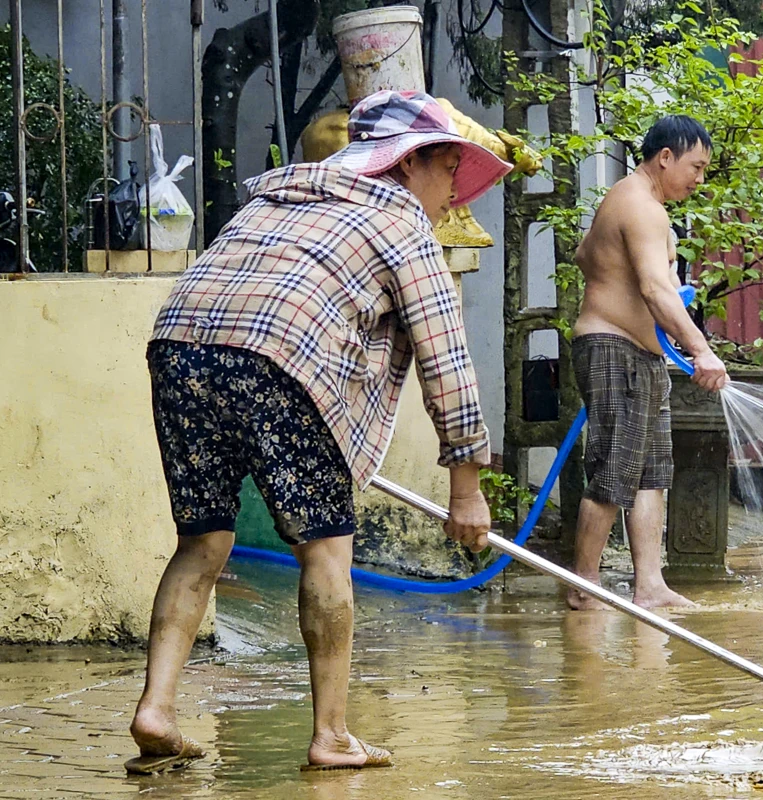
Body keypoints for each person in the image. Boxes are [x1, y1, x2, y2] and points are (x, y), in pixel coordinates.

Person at [127, 91, 512, 773]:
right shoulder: (399, 221)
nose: (455, 194)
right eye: (451, 171)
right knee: (326, 551)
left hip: (178, 350)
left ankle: (156, 709)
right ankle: (331, 735)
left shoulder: (277, 196)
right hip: (280, 358)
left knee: (203, 541)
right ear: (412, 162)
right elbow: (446, 359)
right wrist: (466, 487)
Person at [569, 115, 729, 610]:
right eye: (695, 167)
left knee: (653, 472)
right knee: (615, 471)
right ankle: (585, 585)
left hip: (639, 355)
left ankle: (650, 585)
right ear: (665, 157)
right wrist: (700, 348)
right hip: (614, 348)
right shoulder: (641, 206)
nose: (699, 179)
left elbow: (583, 255)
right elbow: (655, 290)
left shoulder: (631, 201)